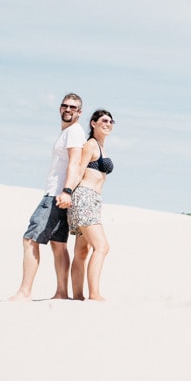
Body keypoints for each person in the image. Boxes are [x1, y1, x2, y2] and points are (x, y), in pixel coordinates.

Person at [8, 93, 86, 301]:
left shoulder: (73, 133)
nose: (67, 110)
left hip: (56, 194)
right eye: (64, 106)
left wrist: (67, 190)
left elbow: (75, 162)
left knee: (30, 239)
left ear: (79, 112)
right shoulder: (68, 132)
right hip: (59, 194)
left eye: (72, 107)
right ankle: (61, 293)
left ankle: (25, 292)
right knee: (58, 245)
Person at [68, 109, 115, 301]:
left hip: (94, 201)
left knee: (82, 251)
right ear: (93, 123)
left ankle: (78, 297)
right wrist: (67, 192)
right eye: (104, 120)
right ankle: (94, 294)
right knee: (102, 246)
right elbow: (78, 171)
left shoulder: (102, 147)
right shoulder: (90, 145)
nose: (108, 123)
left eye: (111, 121)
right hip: (84, 197)